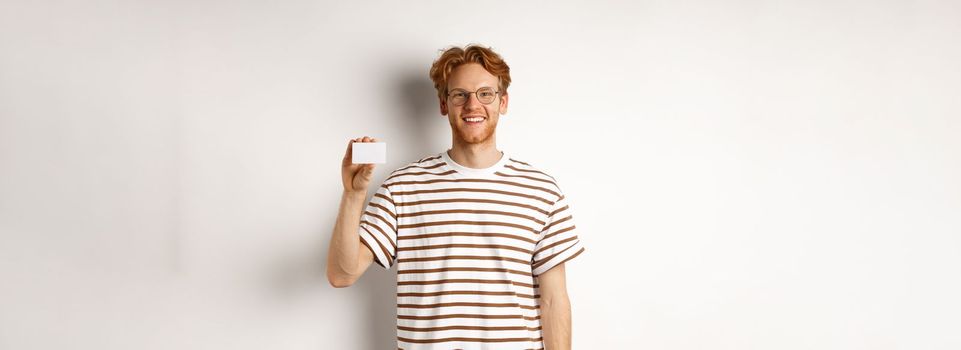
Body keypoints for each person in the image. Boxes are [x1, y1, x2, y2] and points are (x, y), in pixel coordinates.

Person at [327, 44, 585, 350]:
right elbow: (342, 274)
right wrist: (354, 194)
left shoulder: (541, 190)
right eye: (460, 94)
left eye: (485, 94)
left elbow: (555, 302)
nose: (473, 104)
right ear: (443, 104)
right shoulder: (402, 187)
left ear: (503, 102)